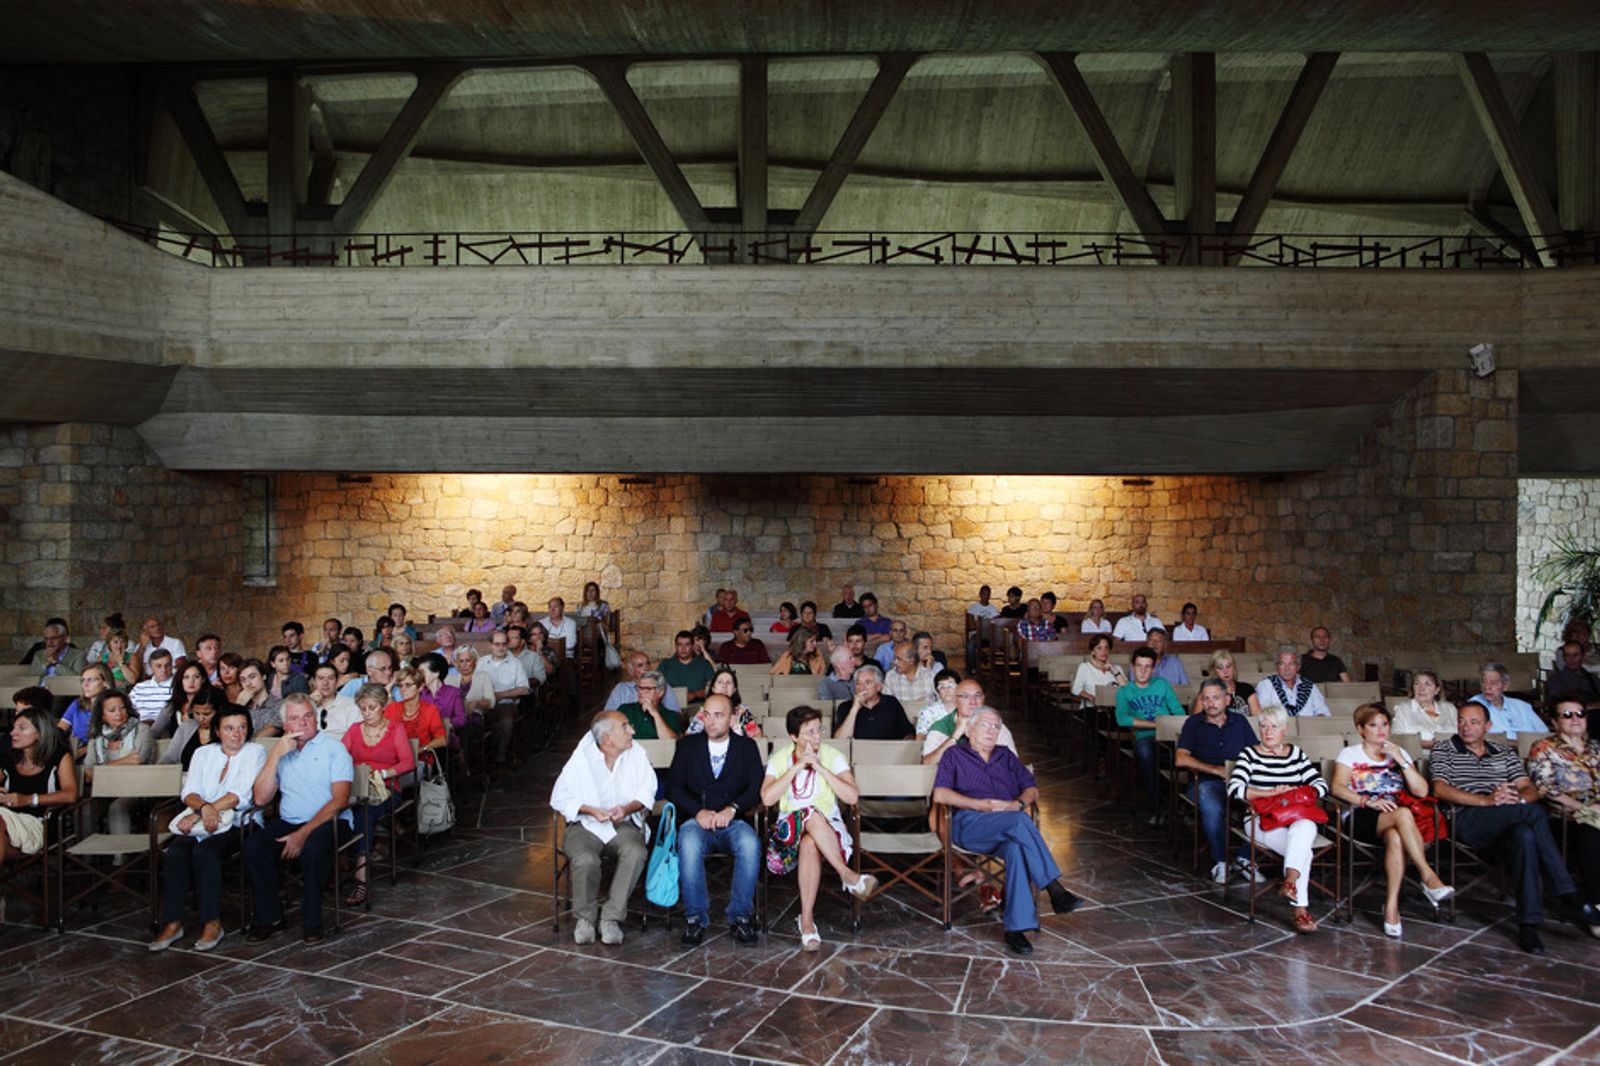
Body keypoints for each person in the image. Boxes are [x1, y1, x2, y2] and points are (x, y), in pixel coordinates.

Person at [1432, 701, 1599, 953]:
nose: (1466, 727)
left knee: (1525, 836)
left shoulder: (1503, 752)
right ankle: (1567, 894)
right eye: (1462, 721)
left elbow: (1529, 788)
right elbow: (1440, 788)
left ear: (1488, 726)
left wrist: (1517, 800)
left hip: (1510, 817)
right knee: (1532, 814)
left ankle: (1528, 925)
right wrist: (1486, 800)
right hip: (1467, 818)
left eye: (1474, 722)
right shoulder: (1444, 749)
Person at [933, 708, 1079, 955]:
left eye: (996, 727)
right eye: (985, 726)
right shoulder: (954, 755)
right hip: (969, 823)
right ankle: (1055, 889)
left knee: (1016, 849)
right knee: (1020, 822)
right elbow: (940, 794)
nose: (991, 731)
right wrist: (981, 805)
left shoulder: (1006, 756)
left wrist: (1017, 804)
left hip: (1006, 825)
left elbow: (1031, 788)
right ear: (969, 730)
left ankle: (1015, 929)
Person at [1329, 703, 1455, 939]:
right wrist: (1366, 802)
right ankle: (1427, 875)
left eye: (1384, 724)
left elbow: (1421, 791)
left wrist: (1401, 759)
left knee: (1396, 836)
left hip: (1395, 819)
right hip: (1361, 815)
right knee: (1404, 814)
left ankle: (1391, 906)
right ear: (1361, 729)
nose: (1380, 730)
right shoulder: (1350, 754)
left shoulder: (1399, 753)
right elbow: (1336, 787)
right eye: (1373, 725)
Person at [149, 704, 266, 953]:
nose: (237, 734)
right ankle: (173, 922)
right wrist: (203, 810)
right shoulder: (203, 753)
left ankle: (212, 922)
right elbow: (189, 792)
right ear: (217, 730)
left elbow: (240, 795)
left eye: (242, 727)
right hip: (200, 820)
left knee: (206, 853)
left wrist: (204, 810)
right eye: (230, 728)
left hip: (239, 822)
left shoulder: (255, 752)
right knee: (176, 853)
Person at [761, 704, 878, 950]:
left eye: (818, 730)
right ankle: (847, 875)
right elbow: (767, 799)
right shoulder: (779, 758)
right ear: (794, 736)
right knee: (809, 814)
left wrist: (820, 768)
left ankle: (806, 922)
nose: (816, 737)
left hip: (827, 833)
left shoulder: (832, 756)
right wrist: (796, 767)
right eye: (809, 732)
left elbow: (852, 797)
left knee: (810, 842)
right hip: (787, 834)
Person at [244, 693, 354, 945]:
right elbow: (260, 799)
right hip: (290, 820)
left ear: (316, 720)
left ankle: (312, 921)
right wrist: (275, 755)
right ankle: (271, 917)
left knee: (313, 849)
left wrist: (302, 834)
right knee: (254, 847)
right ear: (286, 726)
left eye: (307, 716)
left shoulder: (334, 750)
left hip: (331, 821)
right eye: (295, 718)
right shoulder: (282, 752)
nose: (303, 723)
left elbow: (339, 801)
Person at [670, 694, 768, 947]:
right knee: (688, 844)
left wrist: (732, 809)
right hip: (697, 820)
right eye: (707, 714)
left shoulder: (746, 747)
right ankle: (695, 918)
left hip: (733, 821)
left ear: (732, 717)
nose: (710, 721)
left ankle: (740, 916)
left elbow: (756, 787)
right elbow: (674, 787)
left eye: (718, 715)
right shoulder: (688, 745)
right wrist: (697, 812)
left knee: (750, 844)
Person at [551, 710, 655, 946]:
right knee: (585, 859)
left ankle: (610, 918)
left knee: (636, 852)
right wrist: (590, 810)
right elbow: (559, 798)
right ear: (607, 738)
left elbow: (648, 790)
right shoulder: (582, 759)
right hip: (585, 825)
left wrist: (626, 809)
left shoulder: (636, 754)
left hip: (622, 823)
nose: (632, 731)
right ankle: (585, 919)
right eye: (625, 727)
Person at [1227, 705, 1328, 933]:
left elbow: (1321, 786)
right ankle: (1300, 909)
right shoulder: (1249, 754)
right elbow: (1235, 789)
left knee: (1305, 826)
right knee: (1305, 852)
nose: (1267, 731)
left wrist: (1293, 792)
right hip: (1260, 818)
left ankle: (1291, 882)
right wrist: (1270, 793)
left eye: (1274, 726)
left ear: (1285, 729)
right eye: (1263, 726)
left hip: (1293, 816)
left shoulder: (1296, 754)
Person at [342, 682, 417, 906]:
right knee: (335, 807)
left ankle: (360, 878)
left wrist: (383, 773)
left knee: (365, 812)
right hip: (356, 785)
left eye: (371, 708)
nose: (367, 713)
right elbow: (340, 755)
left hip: (384, 788)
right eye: (363, 708)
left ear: (383, 705)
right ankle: (340, 862)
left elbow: (407, 762)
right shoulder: (355, 729)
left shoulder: (395, 729)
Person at [1177, 679, 1259, 877]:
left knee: (1266, 802)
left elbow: (1255, 754)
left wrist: (1239, 775)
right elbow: (1180, 759)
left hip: (1239, 781)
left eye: (1215, 698)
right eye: (1206, 699)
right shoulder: (1193, 723)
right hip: (1205, 782)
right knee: (1212, 807)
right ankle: (1221, 860)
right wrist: (1216, 770)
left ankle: (1244, 858)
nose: (1210, 703)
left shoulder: (1239, 722)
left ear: (1227, 700)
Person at [1528, 698, 1600, 911]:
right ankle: (1597, 904)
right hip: (1565, 815)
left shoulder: (1596, 747)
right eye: (1567, 715)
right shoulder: (1543, 748)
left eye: (1580, 714)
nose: (1575, 719)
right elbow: (1545, 789)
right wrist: (1584, 809)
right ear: (1555, 722)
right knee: (1592, 831)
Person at [1, 706, 78, 871]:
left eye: (22, 728)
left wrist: (29, 799)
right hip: (8, 821)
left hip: (41, 822)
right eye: (14, 728)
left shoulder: (59, 756)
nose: (13, 733)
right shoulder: (7, 758)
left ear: (40, 734)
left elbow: (70, 795)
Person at [1115, 647, 1186, 820]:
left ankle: (1184, 802)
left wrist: (1179, 726)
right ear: (1132, 667)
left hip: (1169, 733)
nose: (1143, 671)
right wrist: (1155, 724)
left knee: (1189, 752)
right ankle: (1159, 806)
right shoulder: (1124, 691)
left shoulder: (1161, 684)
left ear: (1153, 669)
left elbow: (1177, 710)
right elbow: (1122, 719)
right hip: (1145, 736)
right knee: (1146, 754)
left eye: (1147, 667)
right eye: (1139, 666)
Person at [83, 688, 157, 841]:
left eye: (122, 708)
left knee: (117, 808)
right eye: (112, 710)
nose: (119, 713)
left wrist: (102, 768)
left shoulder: (142, 730)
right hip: (104, 789)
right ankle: (85, 860)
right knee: (85, 808)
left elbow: (137, 760)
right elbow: (89, 772)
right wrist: (123, 761)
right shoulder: (97, 737)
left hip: (136, 789)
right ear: (102, 716)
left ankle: (120, 860)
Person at [923, 680, 1016, 764]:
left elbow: (1013, 764)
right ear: (955, 701)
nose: (973, 702)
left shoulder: (995, 726)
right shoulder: (940, 728)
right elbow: (927, 763)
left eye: (978, 696)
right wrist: (955, 735)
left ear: (984, 699)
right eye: (965, 696)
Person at [477, 632, 530, 765]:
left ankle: (499, 757)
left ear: (507, 645)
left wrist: (500, 695)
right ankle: (475, 760)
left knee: (505, 721)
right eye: (497, 644)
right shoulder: (483, 662)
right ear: (491, 646)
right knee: (469, 720)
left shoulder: (515, 664)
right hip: (483, 703)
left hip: (506, 703)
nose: (500, 647)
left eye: (504, 644)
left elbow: (524, 689)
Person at [832, 664, 911, 741]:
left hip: (889, 752)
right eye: (858, 683)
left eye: (868, 683)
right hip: (858, 753)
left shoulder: (891, 703)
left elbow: (908, 733)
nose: (862, 688)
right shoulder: (845, 707)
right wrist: (854, 709)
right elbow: (839, 742)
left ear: (879, 686)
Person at [1468, 663, 1548, 739]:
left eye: (1494, 683)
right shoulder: (1473, 706)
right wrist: (1519, 744)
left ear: (1505, 686)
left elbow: (1544, 734)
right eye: (1484, 682)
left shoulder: (1522, 707)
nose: (1487, 687)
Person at [385, 666, 448, 757]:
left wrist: (418, 750)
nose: (403, 689)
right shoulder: (392, 708)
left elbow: (442, 740)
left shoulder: (430, 710)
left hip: (420, 760)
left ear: (420, 687)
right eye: (400, 685)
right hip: (393, 758)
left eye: (408, 685)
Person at [1388, 670, 1457, 749]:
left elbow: (1462, 735)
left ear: (1437, 690)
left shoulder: (1449, 709)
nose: (1421, 688)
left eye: (1427, 684)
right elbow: (1397, 739)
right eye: (1417, 684)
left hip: (1450, 758)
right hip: (1418, 758)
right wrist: (1432, 744)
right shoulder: (1403, 709)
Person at [161, 687, 227, 770]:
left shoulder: (228, 732)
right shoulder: (186, 727)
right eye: (196, 713)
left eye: (206, 714)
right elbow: (170, 757)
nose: (200, 718)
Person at [686, 666, 761, 737]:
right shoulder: (704, 713)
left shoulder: (743, 712)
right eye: (720, 682)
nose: (724, 685)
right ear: (713, 688)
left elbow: (758, 738)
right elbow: (689, 738)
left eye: (728, 682)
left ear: (734, 690)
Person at [1255, 648, 1330, 718]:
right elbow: (1264, 714)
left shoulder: (1310, 686)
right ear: (1277, 666)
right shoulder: (1266, 685)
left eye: (1291, 664)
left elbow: (1322, 712)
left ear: (1298, 667)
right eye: (1282, 664)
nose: (1286, 669)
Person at [606, 650, 683, 712]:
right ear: (630, 671)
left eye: (648, 663)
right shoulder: (621, 689)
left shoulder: (663, 687)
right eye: (640, 665)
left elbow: (675, 715)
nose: (646, 668)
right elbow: (608, 716)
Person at [152, 661, 212, 739]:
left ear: (203, 679)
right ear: (180, 681)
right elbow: (154, 732)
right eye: (186, 677)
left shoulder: (211, 702)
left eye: (196, 677)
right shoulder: (171, 707)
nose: (191, 681)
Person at [616, 670, 682, 740]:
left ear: (660, 692)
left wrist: (656, 715)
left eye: (647, 689)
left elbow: (670, 744)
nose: (641, 692)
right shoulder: (625, 710)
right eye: (639, 688)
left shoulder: (671, 716)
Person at [59, 663, 111, 750]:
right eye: (83, 680)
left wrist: (81, 752)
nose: (85, 685)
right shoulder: (77, 704)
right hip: (77, 751)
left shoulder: (114, 705)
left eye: (91, 680)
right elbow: (60, 731)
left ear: (105, 682)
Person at [1194, 651, 1259, 716]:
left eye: (1229, 666)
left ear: (1234, 667)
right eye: (1220, 668)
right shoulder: (1207, 690)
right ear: (1214, 671)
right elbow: (1195, 719)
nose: (1225, 671)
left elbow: (1257, 718)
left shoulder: (1247, 688)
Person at [308, 661, 361, 738]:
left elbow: (355, 737)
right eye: (321, 678)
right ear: (314, 682)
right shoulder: (307, 705)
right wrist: (310, 704)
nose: (325, 683)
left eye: (330, 678)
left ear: (336, 681)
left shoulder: (351, 705)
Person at [660, 630, 716, 702]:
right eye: (680, 644)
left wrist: (695, 694)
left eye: (687, 644)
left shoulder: (704, 664)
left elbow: (713, 688)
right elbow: (655, 687)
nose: (683, 648)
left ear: (692, 646)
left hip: (696, 706)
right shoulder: (665, 664)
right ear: (675, 646)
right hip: (670, 706)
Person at [1546, 641, 1600, 715]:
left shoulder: (1593, 678)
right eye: (1568, 655)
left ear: (1582, 656)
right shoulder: (1556, 680)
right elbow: (1558, 707)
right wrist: (1590, 706)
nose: (1571, 659)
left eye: (1575, 655)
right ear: (1564, 657)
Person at [883, 642, 937, 709]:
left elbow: (941, 702)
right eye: (894, 658)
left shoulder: (930, 676)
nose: (895, 662)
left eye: (899, 659)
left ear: (911, 661)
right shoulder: (890, 677)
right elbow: (887, 705)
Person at [129, 648, 176, 725]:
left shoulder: (178, 686)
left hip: (165, 728)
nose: (163, 670)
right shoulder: (139, 688)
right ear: (151, 667)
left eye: (167, 665)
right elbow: (128, 710)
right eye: (159, 666)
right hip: (140, 728)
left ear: (172, 665)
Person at [236, 659, 282, 737]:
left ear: (263, 676)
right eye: (243, 680)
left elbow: (270, 731)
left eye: (252, 677)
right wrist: (238, 706)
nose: (248, 683)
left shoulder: (280, 704)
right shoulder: (240, 707)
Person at [1071, 634, 1126, 699]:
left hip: (1116, 707)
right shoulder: (1085, 667)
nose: (1103, 651)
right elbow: (1076, 690)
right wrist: (1091, 698)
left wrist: (1114, 670)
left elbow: (1128, 690)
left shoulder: (1117, 668)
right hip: (1092, 707)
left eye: (1106, 647)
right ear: (1092, 652)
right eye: (1099, 648)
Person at [915, 669, 963, 738]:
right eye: (942, 687)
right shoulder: (927, 712)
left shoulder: (967, 709)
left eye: (950, 686)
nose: (946, 690)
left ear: (959, 687)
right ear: (937, 691)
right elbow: (920, 738)